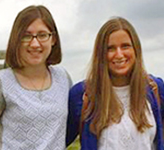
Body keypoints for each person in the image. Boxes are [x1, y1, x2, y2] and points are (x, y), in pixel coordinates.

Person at [0, 5, 72, 150]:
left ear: (53, 39)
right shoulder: (1, 82)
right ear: (16, 40)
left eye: (42, 35)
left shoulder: (63, 78)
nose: (35, 43)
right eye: (26, 36)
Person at [66, 17, 164, 150]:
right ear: (100, 54)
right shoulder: (82, 95)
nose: (119, 54)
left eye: (125, 46)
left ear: (136, 49)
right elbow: (56, 140)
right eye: (110, 48)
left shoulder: (155, 88)